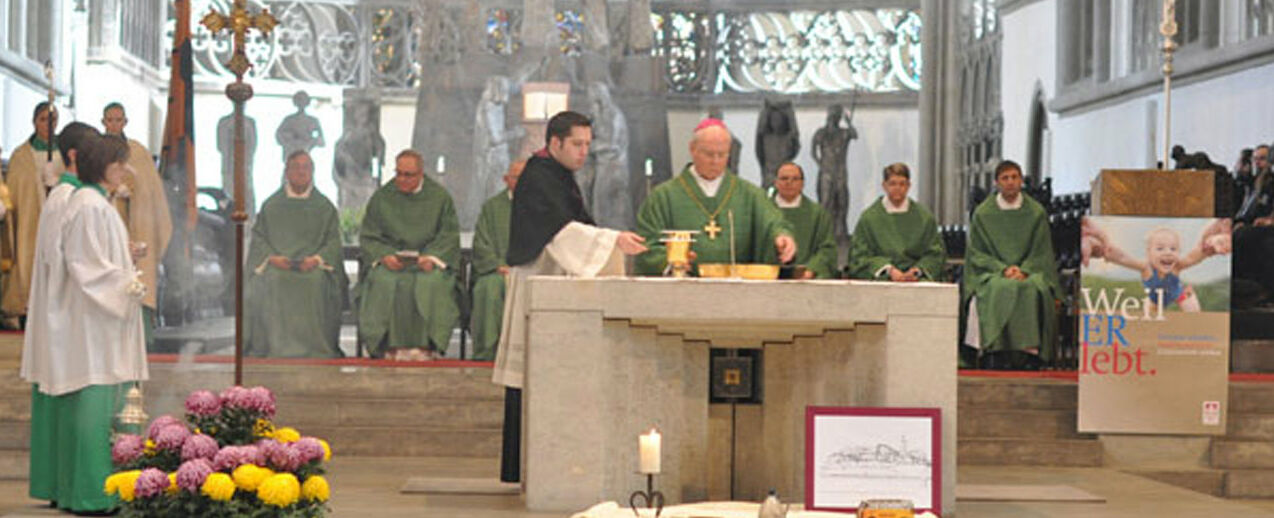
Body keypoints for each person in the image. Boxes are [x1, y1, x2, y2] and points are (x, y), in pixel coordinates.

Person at [492, 111, 648, 484]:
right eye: (577, 144)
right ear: (555, 143)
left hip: (556, 282)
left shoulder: (558, 175)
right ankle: (529, 468)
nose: (583, 152)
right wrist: (612, 241)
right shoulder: (538, 176)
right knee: (533, 376)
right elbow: (559, 232)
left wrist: (608, 237)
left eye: (588, 145)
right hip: (539, 282)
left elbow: (577, 225)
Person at [27, 134, 148, 514]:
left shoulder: (95, 203)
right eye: (119, 162)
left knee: (96, 410)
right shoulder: (89, 205)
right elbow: (86, 268)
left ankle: (95, 491)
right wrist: (127, 284)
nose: (125, 169)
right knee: (95, 413)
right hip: (97, 327)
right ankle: (95, 494)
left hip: (98, 323)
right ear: (100, 165)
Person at [20, 122, 100, 510]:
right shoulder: (67, 198)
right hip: (64, 316)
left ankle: (61, 485)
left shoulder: (72, 196)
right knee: (66, 401)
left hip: (63, 313)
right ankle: (68, 488)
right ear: (74, 156)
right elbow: (62, 260)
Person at [635, 119, 796, 275]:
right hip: (682, 293)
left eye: (722, 154)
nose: (715, 161)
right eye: (709, 154)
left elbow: (774, 223)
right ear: (692, 149)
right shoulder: (663, 196)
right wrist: (671, 261)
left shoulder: (751, 195)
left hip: (737, 294)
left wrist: (781, 237)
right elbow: (647, 244)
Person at [357, 149, 461, 360]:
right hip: (392, 264)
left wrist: (431, 258)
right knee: (384, 281)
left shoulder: (439, 198)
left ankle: (426, 347)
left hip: (426, 264)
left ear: (421, 173)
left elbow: (448, 235)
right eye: (398, 173)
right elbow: (369, 236)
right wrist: (384, 256)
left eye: (408, 175)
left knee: (431, 283)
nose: (402, 179)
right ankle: (389, 348)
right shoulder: (382, 198)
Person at [245, 151, 349, 358]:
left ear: (312, 172)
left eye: (306, 167)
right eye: (296, 167)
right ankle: (277, 348)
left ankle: (317, 348)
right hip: (278, 267)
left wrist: (317, 259)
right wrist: (272, 258)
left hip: (314, 268)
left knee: (317, 282)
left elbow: (333, 241)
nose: (301, 172)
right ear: (287, 172)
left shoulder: (324, 206)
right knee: (273, 280)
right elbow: (259, 238)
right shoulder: (271, 205)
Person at [962, 160, 1061, 367]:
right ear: (997, 182)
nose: (1010, 182)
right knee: (998, 289)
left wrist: (1024, 270)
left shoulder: (1035, 212)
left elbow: (1041, 251)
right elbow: (977, 253)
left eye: (1015, 177)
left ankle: (1028, 355)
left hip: (1028, 272)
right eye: (1005, 178)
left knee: (1032, 289)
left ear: (1021, 181)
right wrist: (1002, 269)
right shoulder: (983, 213)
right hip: (993, 273)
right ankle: (995, 353)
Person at [103, 102, 173, 347]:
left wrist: (132, 193)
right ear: (103, 122)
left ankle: (142, 339)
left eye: (118, 120)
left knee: (139, 281)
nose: (114, 124)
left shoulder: (138, 152)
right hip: (107, 226)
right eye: (109, 120)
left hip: (136, 225)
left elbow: (150, 193)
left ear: (125, 122)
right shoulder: (95, 151)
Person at [3, 102, 66, 328]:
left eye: (53, 120)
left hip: (59, 220)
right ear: (34, 122)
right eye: (43, 120)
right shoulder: (21, 155)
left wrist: (57, 184)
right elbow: (16, 189)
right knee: (29, 263)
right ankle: (26, 311)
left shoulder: (66, 151)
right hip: (31, 222)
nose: (49, 125)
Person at [1088, 219, 1228, 312]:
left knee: (1194, 311)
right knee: (1148, 316)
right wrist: (1110, 253)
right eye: (1160, 249)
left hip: (1179, 293)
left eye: (1173, 249)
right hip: (1155, 299)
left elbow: (1193, 257)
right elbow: (1125, 258)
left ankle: (1199, 328)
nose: (1167, 253)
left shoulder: (1176, 266)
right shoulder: (1146, 267)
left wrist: (1206, 249)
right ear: (1149, 253)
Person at [848, 163, 946, 281]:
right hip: (882, 281)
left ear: (909, 185)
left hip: (916, 282)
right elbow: (859, 257)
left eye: (902, 184)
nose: (897, 188)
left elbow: (935, 254)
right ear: (884, 185)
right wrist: (888, 269)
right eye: (893, 184)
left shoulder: (924, 218)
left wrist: (917, 271)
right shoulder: (869, 219)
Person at [470, 160, 524, 361]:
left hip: (529, 273)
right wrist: (497, 265)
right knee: (488, 288)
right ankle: (488, 352)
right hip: (497, 272)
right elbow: (482, 242)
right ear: (506, 179)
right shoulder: (492, 207)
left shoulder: (542, 208)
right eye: (517, 177)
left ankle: (525, 354)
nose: (521, 182)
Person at [771, 162, 837, 279]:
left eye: (795, 179)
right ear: (776, 182)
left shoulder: (817, 214)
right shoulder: (765, 210)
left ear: (802, 184)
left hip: (806, 279)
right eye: (784, 178)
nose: (789, 182)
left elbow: (827, 249)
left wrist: (811, 270)